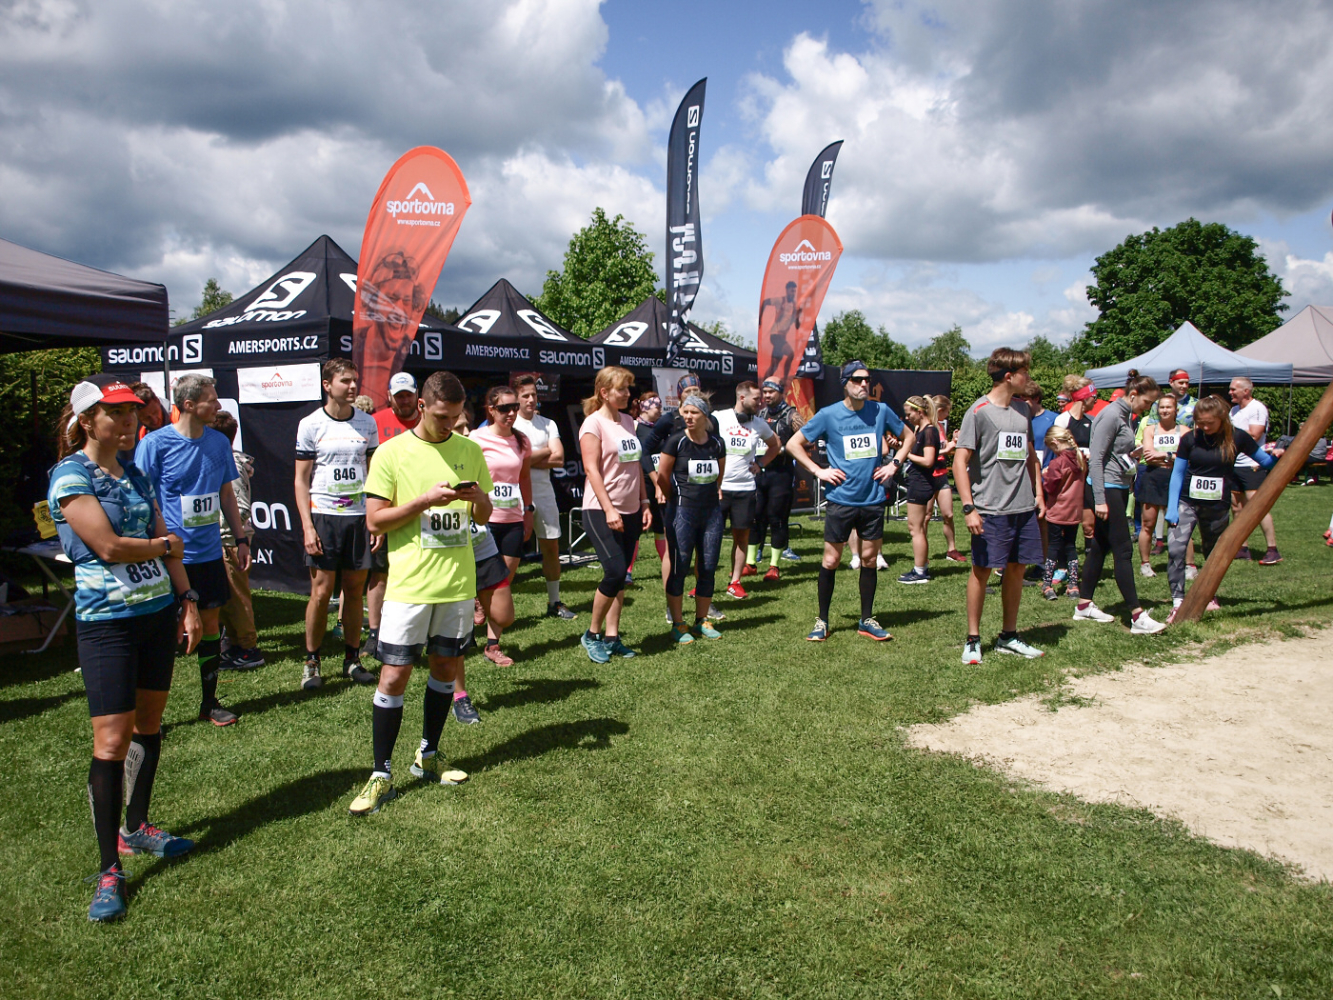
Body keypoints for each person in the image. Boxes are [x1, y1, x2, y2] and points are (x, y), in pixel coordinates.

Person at [49, 375, 203, 922]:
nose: (128, 420)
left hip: (155, 615)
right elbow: (110, 546)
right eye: (115, 413)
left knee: (149, 725)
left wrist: (187, 600)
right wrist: (162, 545)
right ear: (87, 421)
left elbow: (169, 547)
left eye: (132, 411)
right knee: (111, 741)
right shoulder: (70, 475)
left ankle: (136, 827)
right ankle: (108, 868)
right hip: (107, 625)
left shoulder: (134, 471)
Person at [349, 371, 494, 816]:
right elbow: (375, 520)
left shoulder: (470, 450)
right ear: (422, 406)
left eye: (456, 417)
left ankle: (428, 756)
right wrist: (425, 502)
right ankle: (380, 774)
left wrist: (476, 499)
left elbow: (484, 514)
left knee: (446, 668)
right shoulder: (392, 453)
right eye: (442, 416)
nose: (450, 425)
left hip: (456, 584)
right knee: (394, 676)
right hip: (409, 586)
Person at [135, 374, 247, 726]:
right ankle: (148, 716)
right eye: (211, 400)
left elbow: (226, 493)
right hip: (169, 556)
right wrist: (157, 542)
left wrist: (240, 538)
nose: (218, 406)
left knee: (210, 624)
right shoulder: (155, 444)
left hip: (209, 552)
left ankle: (209, 702)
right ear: (188, 405)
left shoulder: (217, 442)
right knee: (159, 632)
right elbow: (142, 496)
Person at [786, 360, 903, 642]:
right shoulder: (829, 415)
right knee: (831, 560)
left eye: (867, 380)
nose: (864, 384)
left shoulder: (881, 410)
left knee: (870, 559)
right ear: (845, 383)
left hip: (873, 498)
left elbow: (907, 437)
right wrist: (818, 471)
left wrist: (894, 464)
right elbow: (792, 444)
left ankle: (867, 619)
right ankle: (822, 620)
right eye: (857, 380)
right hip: (841, 499)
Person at [953, 348, 1047, 664]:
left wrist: (1038, 493)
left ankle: (1009, 635)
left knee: (1017, 568)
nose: (1028, 378)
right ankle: (973, 639)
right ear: (1009, 376)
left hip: (1022, 508)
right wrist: (969, 508)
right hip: (989, 508)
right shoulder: (978, 412)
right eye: (1025, 373)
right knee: (981, 570)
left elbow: (1030, 455)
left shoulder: (1023, 410)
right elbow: (960, 461)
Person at [294, 359, 380, 690]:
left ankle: (352, 658)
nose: (353, 386)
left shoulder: (367, 422)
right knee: (320, 592)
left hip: (358, 518)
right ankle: (312, 661)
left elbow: (374, 474)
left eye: (355, 380)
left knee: (355, 591)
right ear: (327, 385)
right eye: (345, 380)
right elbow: (301, 480)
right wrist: (308, 526)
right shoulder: (310, 424)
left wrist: (375, 519)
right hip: (324, 516)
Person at [1164, 394, 1276, 621]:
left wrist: (1278, 456)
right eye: (1200, 423)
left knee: (1213, 553)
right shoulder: (1190, 439)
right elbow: (1178, 473)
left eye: (1209, 423)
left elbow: (1265, 461)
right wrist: (1172, 507)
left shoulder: (1238, 437)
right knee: (1176, 549)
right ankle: (1178, 601)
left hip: (1217, 506)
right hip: (1187, 501)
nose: (1204, 427)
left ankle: (1209, 595)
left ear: (1222, 419)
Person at [1071, 375, 1167, 633]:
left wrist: (1132, 455)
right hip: (1107, 489)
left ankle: (1083, 605)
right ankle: (1136, 616)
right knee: (1123, 549)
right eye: (1147, 402)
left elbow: (1113, 452)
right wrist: (1100, 500)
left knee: (1100, 547)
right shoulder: (1111, 415)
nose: (1148, 408)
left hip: (1119, 487)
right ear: (1133, 395)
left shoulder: (1125, 415)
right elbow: (1096, 459)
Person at [579, 366, 651, 663]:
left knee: (620, 578)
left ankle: (612, 637)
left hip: (631, 508)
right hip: (600, 509)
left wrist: (644, 502)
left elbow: (636, 465)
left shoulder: (628, 421)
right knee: (615, 571)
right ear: (604, 392)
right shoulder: (592, 424)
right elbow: (591, 469)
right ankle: (592, 634)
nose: (628, 394)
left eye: (628, 388)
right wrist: (609, 508)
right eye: (622, 389)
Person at [471, 385, 534, 666]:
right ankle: (472, 610)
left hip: (512, 519)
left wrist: (529, 511)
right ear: (491, 410)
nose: (511, 413)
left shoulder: (522, 440)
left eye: (514, 408)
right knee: (480, 579)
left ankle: (492, 645)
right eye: (504, 408)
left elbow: (524, 478)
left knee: (503, 582)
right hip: (484, 520)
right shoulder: (477, 439)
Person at [657, 395, 727, 643]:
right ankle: (678, 623)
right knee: (680, 566)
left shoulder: (717, 443)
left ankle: (701, 620)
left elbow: (718, 475)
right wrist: (676, 499)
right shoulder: (676, 441)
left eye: (694, 412)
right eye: (685, 412)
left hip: (711, 512)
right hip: (681, 512)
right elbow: (662, 476)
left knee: (708, 566)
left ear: (705, 416)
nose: (688, 417)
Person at [365, 372, 422, 658]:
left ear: (417, 394)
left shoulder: (427, 421)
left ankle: (419, 630)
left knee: (421, 568)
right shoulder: (375, 422)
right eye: (399, 396)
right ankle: (375, 633)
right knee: (379, 573)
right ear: (389, 396)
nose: (404, 400)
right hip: (386, 509)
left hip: (421, 508)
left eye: (408, 394)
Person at [513, 374, 575, 620]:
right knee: (510, 550)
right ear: (516, 398)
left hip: (544, 492)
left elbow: (558, 458)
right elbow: (515, 462)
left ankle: (554, 601)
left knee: (551, 546)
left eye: (534, 395)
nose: (531, 400)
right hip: (516, 493)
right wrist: (544, 451)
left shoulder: (548, 423)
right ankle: (494, 603)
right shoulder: (510, 424)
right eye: (525, 395)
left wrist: (528, 458)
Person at [715, 381, 780, 598]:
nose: (761, 403)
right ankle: (703, 582)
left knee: (741, 537)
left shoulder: (759, 424)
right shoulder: (719, 418)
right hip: (719, 489)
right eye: (756, 399)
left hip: (745, 489)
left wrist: (760, 464)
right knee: (709, 538)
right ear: (742, 398)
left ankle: (735, 581)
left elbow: (775, 445)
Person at [210, 411, 262, 670]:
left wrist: (221, 527)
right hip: (223, 537)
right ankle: (233, 643)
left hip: (230, 538)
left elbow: (240, 506)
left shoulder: (232, 464)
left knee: (237, 597)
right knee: (227, 597)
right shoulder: (222, 460)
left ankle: (248, 648)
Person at [750, 379, 804, 577]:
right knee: (755, 515)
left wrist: (784, 448)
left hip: (781, 473)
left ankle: (776, 563)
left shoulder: (791, 415)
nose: (767, 395)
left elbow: (809, 440)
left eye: (771, 392)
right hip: (760, 471)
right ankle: (752, 558)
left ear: (781, 393)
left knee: (777, 516)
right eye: (764, 392)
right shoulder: (760, 415)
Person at [1228, 377, 1282, 565]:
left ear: (1246, 391)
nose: (1230, 392)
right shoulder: (1234, 410)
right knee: (1236, 507)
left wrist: (1229, 438)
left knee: (1258, 506)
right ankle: (1242, 547)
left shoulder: (1257, 408)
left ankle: (1272, 549)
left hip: (1252, 464)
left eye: (1233, 389)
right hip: (1235, 464)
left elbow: (1254, 434)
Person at [1135, 393, 1182, 577]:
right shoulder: (1150, 430)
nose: (1164, 410)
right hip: (1153, 477)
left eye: (1168, 407)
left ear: (1175, 410)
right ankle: (1145, 563)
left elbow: (1186, 457)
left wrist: (1164, 455)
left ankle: (1186, 564)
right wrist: (1172, 455)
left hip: (1175, 477)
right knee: (1148, 523)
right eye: (1161, 407)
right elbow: (1149, 455)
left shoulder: (1184, 431)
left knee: (1179, 523)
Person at [898, 395, 942, 585]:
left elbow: (928, 460)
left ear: (920, 412)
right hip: (917, 481)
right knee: (917, 527)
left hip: (921, 483)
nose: (908, 418)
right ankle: (921, 566)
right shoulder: (920, 430)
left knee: (916, 528)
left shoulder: (930, 431)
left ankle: (920, 571)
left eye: (910, 414)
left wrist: (907, 454)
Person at [1040, 426, 1084, 600]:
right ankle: (1073, 584)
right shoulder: (1080, 459)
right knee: (1071, 545)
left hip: (1058, 510)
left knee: (1053, 546)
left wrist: (1046, 475)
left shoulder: (1057, 463)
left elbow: (1051, 487)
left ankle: (1047, 584)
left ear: (1055, 442)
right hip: (1074, 511)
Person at [631, 390, 669, 588]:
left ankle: (667, 565)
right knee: (636, 528)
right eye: (657, 406)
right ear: (645, 408)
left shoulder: (662, 427)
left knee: (662, 525)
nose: (660, 410)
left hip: (662, 483)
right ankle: (627, 571)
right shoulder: (634, 426)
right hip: (643, 483)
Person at [928, 394, 965, 562]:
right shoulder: (927, 427)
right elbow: (926, 453)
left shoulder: (941, 428)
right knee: (926, 516)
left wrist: (954, 442)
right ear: (940, 410)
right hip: (928, 476)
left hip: (941, 475)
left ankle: (952, 549)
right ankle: (922, 554)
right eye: (947, 412)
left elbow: (944, 449)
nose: (948, 415)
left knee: (948, 514)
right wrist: (947, 448)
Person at [759, 280, 801, 383]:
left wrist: (798, 316)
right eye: (791, 291)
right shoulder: (780, 300)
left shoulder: (794, 306)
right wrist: (760, 319)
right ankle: (785, 379)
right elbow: (765, 302)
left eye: (794, 291)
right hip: (775, 335)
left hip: (782, 337)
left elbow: (797, 326)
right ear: (787, 290)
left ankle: (763, 383)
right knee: (790, 354)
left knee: (774, 365)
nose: (793, 293)